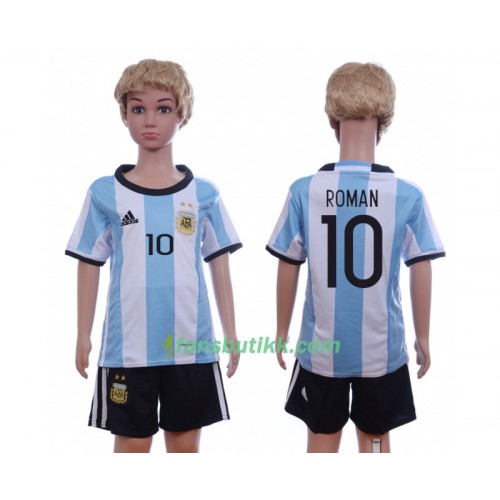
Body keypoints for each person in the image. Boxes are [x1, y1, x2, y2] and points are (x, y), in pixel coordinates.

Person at [266, 62, 445, 452]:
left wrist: (280, 331)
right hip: (382, 351)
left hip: (320, 351)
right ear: (384, 121)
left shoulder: (305, 190)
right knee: (376, 445)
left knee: (321, 443)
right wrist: (423, 337)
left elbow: (288, 263)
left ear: (333, 121)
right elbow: (421, 266)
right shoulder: (406, 194)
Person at [66, 59, 242, 453]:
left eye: (163, 108)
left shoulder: (204, 194)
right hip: (127, 350)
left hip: (191, 348)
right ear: (125, 114)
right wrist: (82, 334)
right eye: (138, 108)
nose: (150, 120)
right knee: (131, 450)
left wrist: (231, 334)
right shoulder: (104, 193)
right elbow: (88, 263)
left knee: (184, 452)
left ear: (182, 114)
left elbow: (220, 265)